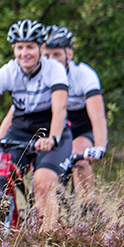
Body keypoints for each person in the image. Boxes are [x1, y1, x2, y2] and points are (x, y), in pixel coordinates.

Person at [0, 19, 72, 231]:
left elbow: (60, 109)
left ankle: (49, 241)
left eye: (30, 47)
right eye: (19, 47)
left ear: (41, 48)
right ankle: (11, 229)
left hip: (52, 131)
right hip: (20, 130)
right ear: (13, 49)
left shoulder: (54, 70)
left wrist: (52, 138)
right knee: (0, 174)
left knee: (42, 183)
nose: (24, 53)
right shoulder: (8, 71)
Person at [41, 25, 107, 208]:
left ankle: (88, 212)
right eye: (46, 56)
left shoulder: (84, 75)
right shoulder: (40, 76)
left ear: (68, 54)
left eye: (56, 55)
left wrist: (100, 146)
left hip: (81, 129)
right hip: (55, 129)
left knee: (79, 158)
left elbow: (98, 115)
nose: (51, 60)